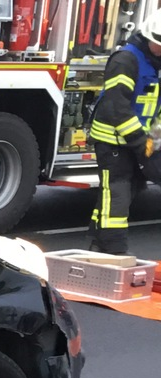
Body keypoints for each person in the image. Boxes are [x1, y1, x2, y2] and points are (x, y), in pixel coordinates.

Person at [87, 14, 161, 255]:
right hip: (112, 140)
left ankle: (99, 243)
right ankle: (114, 250)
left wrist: (155, 138)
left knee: (127, 191)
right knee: (116, 194)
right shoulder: (126, 60)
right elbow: (116, 106)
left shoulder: (156, 63)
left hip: (138, 140)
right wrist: (141, 142)